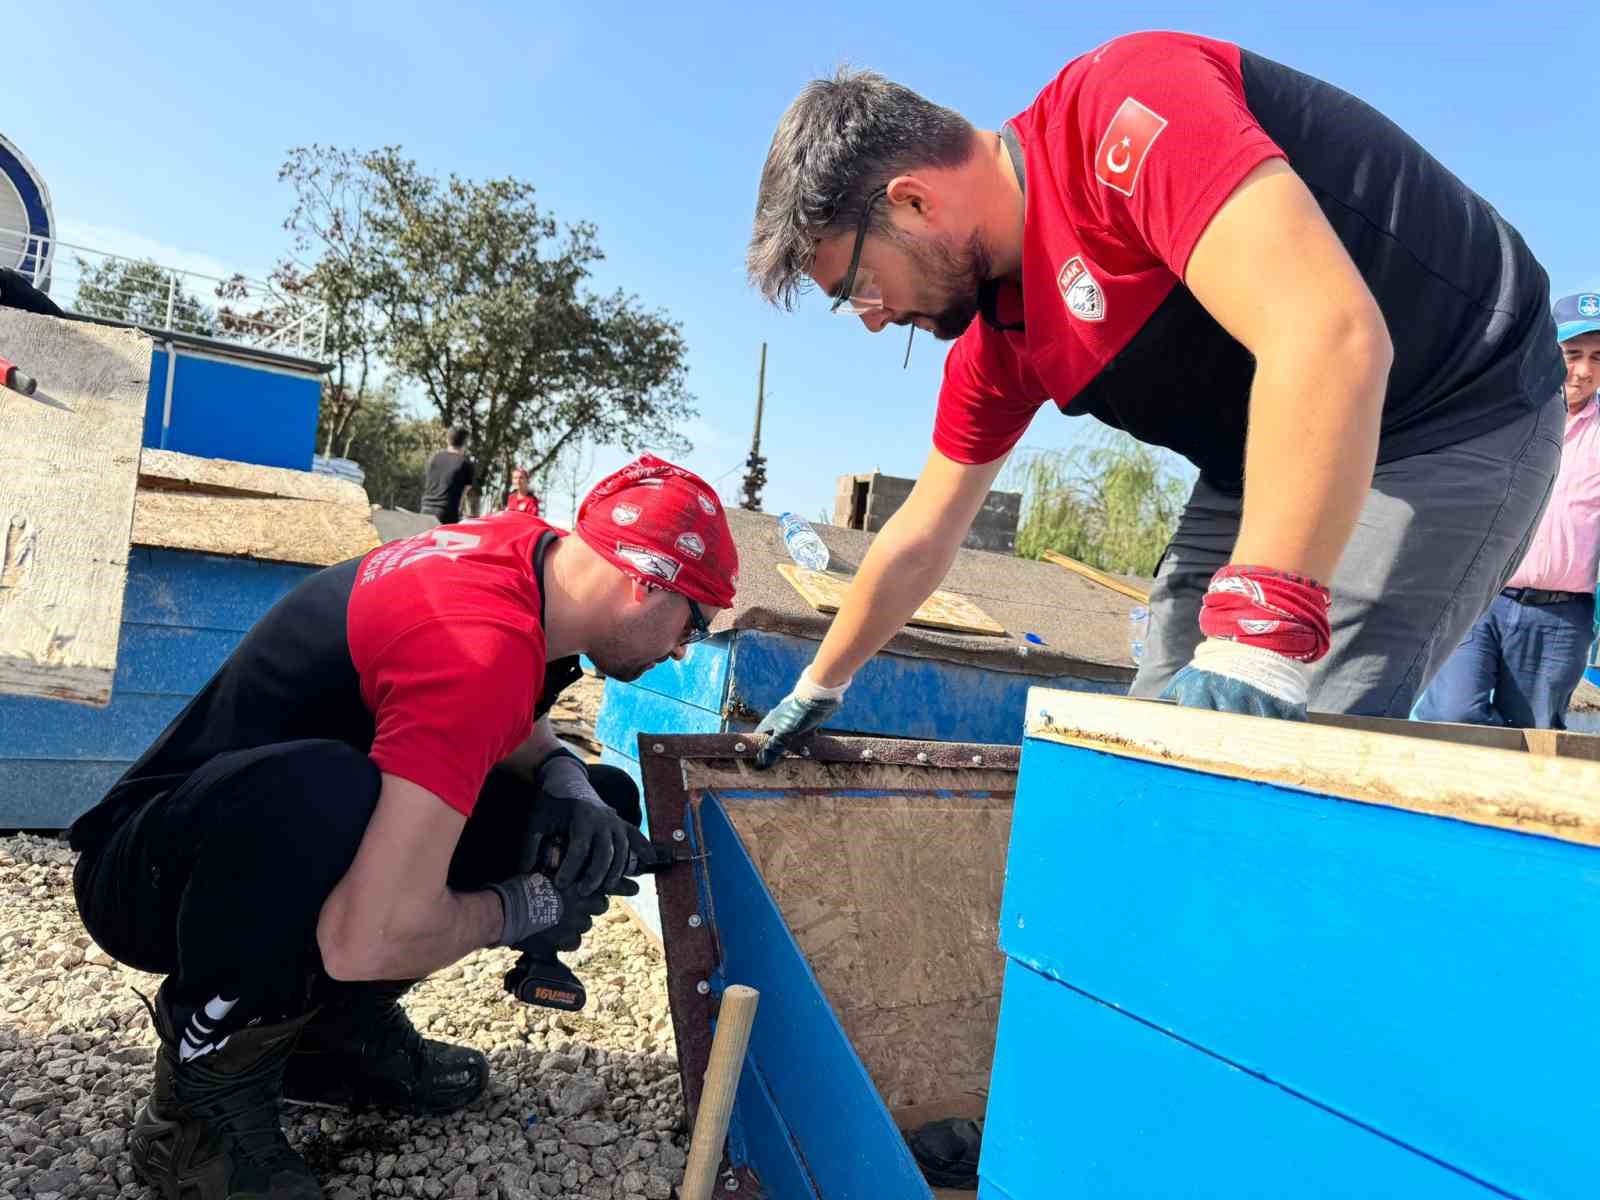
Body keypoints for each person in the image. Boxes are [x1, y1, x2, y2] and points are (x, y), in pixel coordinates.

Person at [744, 30, 1563, 762]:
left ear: (914, 202)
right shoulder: (1004, 338)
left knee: (1290, 745)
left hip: (1453, 408)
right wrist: (820, 683)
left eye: (856, 287)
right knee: (1153, 739)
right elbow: (921, 536)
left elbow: (1329, 334)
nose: (876, 322)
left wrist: (1258, 643)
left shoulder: (1122, 109)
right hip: (1259, 453)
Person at [67, 455, 736, 1200]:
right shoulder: (477, 644)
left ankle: (326, 1042)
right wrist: (525, 905)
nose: (685, 647)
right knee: (327, 794)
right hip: (153, 880)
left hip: (243, 838)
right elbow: (367, 937)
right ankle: (197, 1116)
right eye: (696, 621)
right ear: (645, 581)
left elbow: (497, 710)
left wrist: (566, 781)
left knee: (591, 808)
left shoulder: (527, 562)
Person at [1415, 293, 1600, 728]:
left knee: (1532, 736)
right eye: (1572, 354)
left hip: (1560, 615)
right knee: (1451, 715)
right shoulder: (1500, 413)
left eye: (1597, 358)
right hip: (1477, 598)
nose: (1584, 371)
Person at [420, 424, 478, 524]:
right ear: (465, 442)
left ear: (448, 440)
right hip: (446, 513)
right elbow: (464, 494)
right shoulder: (465, 464)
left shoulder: (434, 458)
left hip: (425, 510)